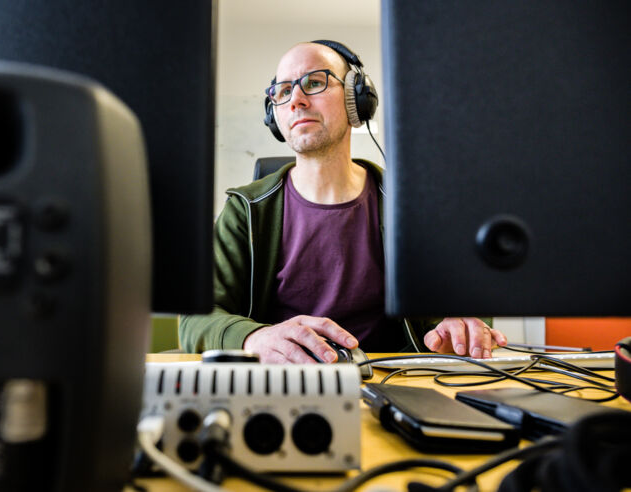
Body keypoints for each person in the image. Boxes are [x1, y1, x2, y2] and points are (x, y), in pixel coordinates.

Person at [180, 40, 507, 363]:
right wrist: (253, 337)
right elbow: (195, 319)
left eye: (314, 82)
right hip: (284, 382)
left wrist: (455, 329)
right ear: (273, 114)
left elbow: (457, 306)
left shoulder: (408, 206)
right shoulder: (246, 210)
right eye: (282, 91)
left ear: (356, 100)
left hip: (392, 385)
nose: (296, 99)